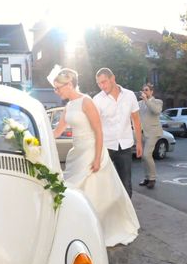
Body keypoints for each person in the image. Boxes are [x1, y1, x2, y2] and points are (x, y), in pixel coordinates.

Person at [52, 68, 139, 246]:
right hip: (77, 153)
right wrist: (34, 138)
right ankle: (81, 229)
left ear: (69, 84)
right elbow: (57, 131)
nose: (57, 91)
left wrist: (98, 158)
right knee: (75, 192)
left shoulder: (87, 101)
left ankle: (95, 231)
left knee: (94, 194)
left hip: (92, 152)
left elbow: (99, 131)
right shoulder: (68, 106)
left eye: (58, 87)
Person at [93, 68, 143, 197]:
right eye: (99, 83)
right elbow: (94, 127)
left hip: (125, 146)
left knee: (126, 184)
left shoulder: (130, 95)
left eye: (104, 82)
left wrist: (139, 143)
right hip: (106, 147)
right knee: (103, 184)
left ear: (113, 78)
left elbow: (136, 120)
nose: (102, 86)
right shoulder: (97, 99)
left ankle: (127, 215)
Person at [138, 83, 163, 189]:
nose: (144, 92)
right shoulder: (140, 103)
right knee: (143, 157)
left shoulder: (157, 102)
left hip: (153, 132)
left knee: (147, 155)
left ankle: (152, 178)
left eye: (147, 90)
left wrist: (146, 101)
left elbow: (156, 111)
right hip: (143, 132)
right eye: (143, 90)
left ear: (152, 92)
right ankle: (147, 177)